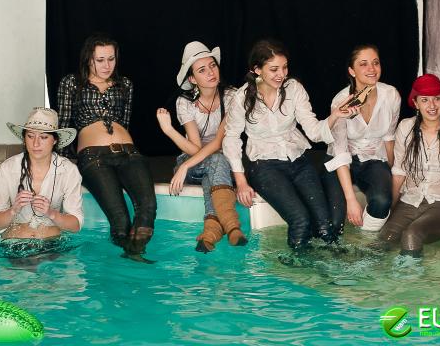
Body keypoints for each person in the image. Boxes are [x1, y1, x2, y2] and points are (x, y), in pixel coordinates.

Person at [223, 39, 347, 250]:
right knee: (301, 221)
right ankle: (298, 268)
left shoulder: (294, 88)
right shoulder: (242, 97)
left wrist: (335, 115)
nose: (281, 74)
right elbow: (231, 138)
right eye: (274, 69)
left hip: (298, 161)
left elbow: (314, 132)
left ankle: (328, 268)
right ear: (257, 70)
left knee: (325, 227)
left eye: (284, 67)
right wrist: (241, 181)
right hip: (264, 166)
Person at [57, 33, 156, 256]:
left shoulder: (125, 84)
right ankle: (133, 257)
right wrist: (63, 165)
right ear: (88, 59)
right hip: (94, 158)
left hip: (130, 154)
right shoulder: (72, 83)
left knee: (148, 207)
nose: (107, 65)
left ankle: (133, 254)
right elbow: (63, 124)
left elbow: (125, 122)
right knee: (120, 220)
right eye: (100, 60)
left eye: (111, 59)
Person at [156, 41, 246, 253]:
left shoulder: (231, 96)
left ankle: (210, 233)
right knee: (216, 159)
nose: (211, 73)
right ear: (192, 79)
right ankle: (232, 226)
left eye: (212, 66)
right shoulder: (184, 102)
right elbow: (195, 149)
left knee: (215, 167)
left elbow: (218, 142)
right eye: (202, 70)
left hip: (219, 166)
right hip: (193, 162)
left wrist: (186, 166)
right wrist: (169, 130)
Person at [379, 74, 440, 256]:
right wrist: (390, 211)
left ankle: (409, 275)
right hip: (409, 202)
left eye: (437, 99)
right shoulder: (406, 128)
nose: (432, 105)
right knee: (385, 238)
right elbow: (399, 173)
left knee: (411, 235)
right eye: (425, 100)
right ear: (416, 103)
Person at [321, 45, 401, 237]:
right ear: (352, 71)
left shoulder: (391, 95)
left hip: (373, 158)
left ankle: (365, 244)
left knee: (382, 201)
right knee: (336, 219)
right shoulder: (341, 100)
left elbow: (389, 138)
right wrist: (351, 200)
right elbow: (340, 152)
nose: (371, 69)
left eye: (375, 63)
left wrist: (392, 175)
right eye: (363, 64)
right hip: (340, 161)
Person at [0, 108, 83, 244]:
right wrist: (13, 210)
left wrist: (51, 213)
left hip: (52, 245)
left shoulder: (69, 171)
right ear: (24, 138)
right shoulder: (7, 168)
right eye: (30, 136)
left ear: (55, 140)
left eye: (43, 137)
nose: (36, 143)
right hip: (13, 245)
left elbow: (76, 225)